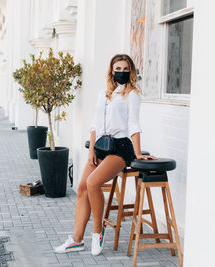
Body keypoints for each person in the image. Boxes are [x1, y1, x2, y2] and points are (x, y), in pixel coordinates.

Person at [55, 54, 156, 256]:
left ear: (131, 71)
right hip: (101, 145)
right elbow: (95, 125)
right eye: (118, 68)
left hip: (121, 148)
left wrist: (137, 153)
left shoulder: (133, 94)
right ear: (111, 70)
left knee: (93, 183)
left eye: (126, 69)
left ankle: (97, 233)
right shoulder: (104, 94)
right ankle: (76, 240)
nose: (121, 72)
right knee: (82, 187)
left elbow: (134, 124)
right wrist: (91, 150)